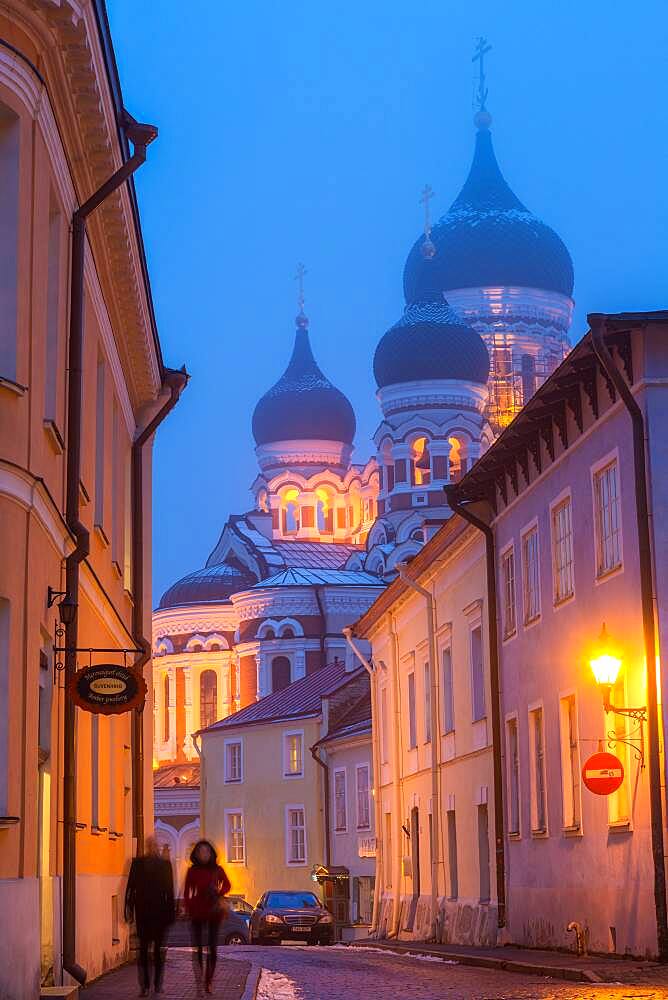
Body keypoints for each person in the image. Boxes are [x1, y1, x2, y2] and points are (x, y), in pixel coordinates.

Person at [124, 835, 175, 996]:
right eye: (150, 845)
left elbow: (170, 891)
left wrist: (170, 913)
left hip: (160, 915)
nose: (152, 847)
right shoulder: (138, 864)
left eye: (154, 845)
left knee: (159, 952)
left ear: (157, 847)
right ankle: (144, 986)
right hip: (143, 914)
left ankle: (157, 984)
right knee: (144, 951)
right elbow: (130, 888)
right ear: (147, 847)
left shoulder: (165, 865)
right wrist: (128, 908)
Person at [183, 840, 231, 994]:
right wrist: (190, 906)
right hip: (197, 911)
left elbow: (227, 885)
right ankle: (199, 982)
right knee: (197, 949)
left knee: (212, 949)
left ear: (211, 854)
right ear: (196, 854)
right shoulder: (192, 871)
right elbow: (187, 892)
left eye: (206, 851)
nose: (204, 854)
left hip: (213, 912)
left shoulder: (217, 870)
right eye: (201, 852)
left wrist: (218, 893)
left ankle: (208, 981)